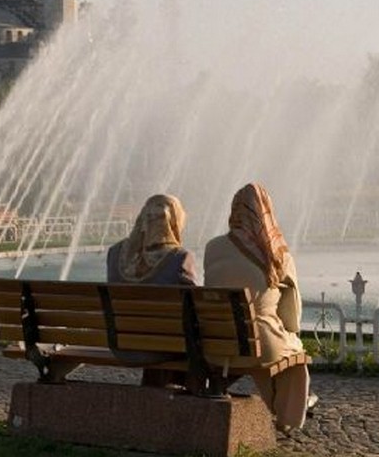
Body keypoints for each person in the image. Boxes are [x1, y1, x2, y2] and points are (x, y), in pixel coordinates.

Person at [203, 182, 316, 432]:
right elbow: (291, 310)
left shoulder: (213, 247)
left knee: (259, 343)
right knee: (292, 355)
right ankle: (288, 418)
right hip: (259, 342)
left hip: (215, 342)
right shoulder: (278, 254)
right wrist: (290, 332)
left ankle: (278, 405)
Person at [106, 194, 197, 386]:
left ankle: (154, 395)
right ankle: (187, 401)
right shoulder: (179, 258)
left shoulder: (115, 253)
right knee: (192, 336)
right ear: (174, 221)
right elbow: (195, 307)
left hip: (121, 344)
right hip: (161, 347)